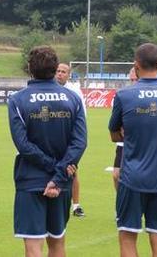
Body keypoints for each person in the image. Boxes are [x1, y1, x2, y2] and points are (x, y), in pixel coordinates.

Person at [108, 43, 157, 257]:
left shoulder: (125, 95)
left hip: (133, 177)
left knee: (127, 235)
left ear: (136, 65)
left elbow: (114, 134)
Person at [9, 46, 86, 257]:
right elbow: (80, 143)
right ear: (55, 69)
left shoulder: (17, 100)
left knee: (33, 247)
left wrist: (52, 169)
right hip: (62, 181)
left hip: (30, 180)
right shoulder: (73, 98)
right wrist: (59, 173)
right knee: (58, 242)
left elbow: (23, 145)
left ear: (29, 68)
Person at [55, 63, 86, 217]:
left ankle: (76, 205)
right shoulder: (51, 89)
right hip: (55, 137)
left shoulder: (74, 91)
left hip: (70, 138)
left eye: (63, 72)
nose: (60, 74)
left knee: (73, 171)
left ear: (69, 75)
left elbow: (82, 117)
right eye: (58, 71)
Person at [112, 67, 138, 190]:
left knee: (136, 176)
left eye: (136, 79)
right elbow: (114, 121)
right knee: (116, 175)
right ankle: (120, 205)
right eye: (132, 79)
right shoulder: (123, 95)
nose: (134, 81)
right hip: (123, 142)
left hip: (140, 142)